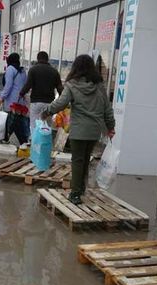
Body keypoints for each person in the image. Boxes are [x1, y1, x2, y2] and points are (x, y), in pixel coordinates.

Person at [42, 54, 115, 205]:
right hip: (94, 131)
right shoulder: (99, 86)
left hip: (79, 130)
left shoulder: (72, 85)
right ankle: (81, 188)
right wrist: (111, 127)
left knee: (77, 160)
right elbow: (107, 109)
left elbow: (61, 103)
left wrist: (47, 111)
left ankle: (75, 194)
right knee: (85, 160)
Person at [19, 51, 64, 138]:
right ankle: (44, 144)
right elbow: (60, 88)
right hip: (49, 104)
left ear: (38, 59)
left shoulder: (33, 70)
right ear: (47, 59)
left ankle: (35, 144)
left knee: (34, 125)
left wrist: (21, 93)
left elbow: (28, 85)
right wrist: (63, 101)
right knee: (47, 126)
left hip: (36, 102)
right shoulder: (54, 71)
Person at [0, 53, 29, 145]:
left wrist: (2, 97)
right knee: (17, 122)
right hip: (21, 101)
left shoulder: (10, 69)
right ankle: (23, 142)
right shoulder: (22, 71)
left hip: (12, 102)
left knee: (10, 122)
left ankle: (5, 139)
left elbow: (8, 86)